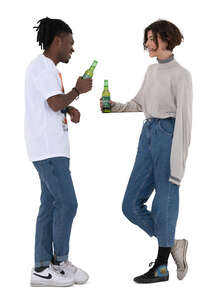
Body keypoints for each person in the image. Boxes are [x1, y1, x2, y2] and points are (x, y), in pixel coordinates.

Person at [100, 19, 192, 284]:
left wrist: (179, 162)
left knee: (164, 201)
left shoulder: (181, 75)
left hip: (168, 135)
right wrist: (114, 107)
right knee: (130, 204)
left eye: (152, 38)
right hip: (148, 134)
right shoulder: (152, 71)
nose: (147, 44)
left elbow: (185, 121)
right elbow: (139, 103)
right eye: (147, 39)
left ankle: (162, 267)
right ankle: (174, 244)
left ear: (166, 39)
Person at [24, 17, 92, 287]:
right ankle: (59, 261)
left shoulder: (47, 69)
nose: (72, 49)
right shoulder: (42, 68)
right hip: (48, 150)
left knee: (50, 205)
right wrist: (76, 91)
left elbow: (53, 104)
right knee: (67, 203)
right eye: (71, 43)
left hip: (52, 149)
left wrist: (68, 107)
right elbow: (53, 102)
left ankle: (43, 267)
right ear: (58, 41)